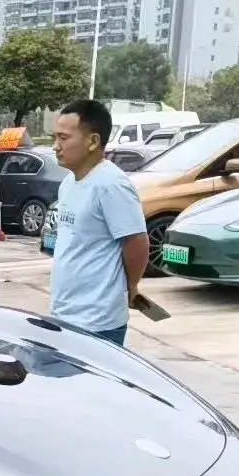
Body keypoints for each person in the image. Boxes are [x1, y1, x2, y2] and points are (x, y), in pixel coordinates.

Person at [49, 99, 148, 347]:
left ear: (93, 141)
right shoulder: (69, 183)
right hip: (65, 313)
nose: (55, 146)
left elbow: (136, 242)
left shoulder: (111, 184)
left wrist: (131, 286)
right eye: (55, 137)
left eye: (64, 138)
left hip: (98, 323)